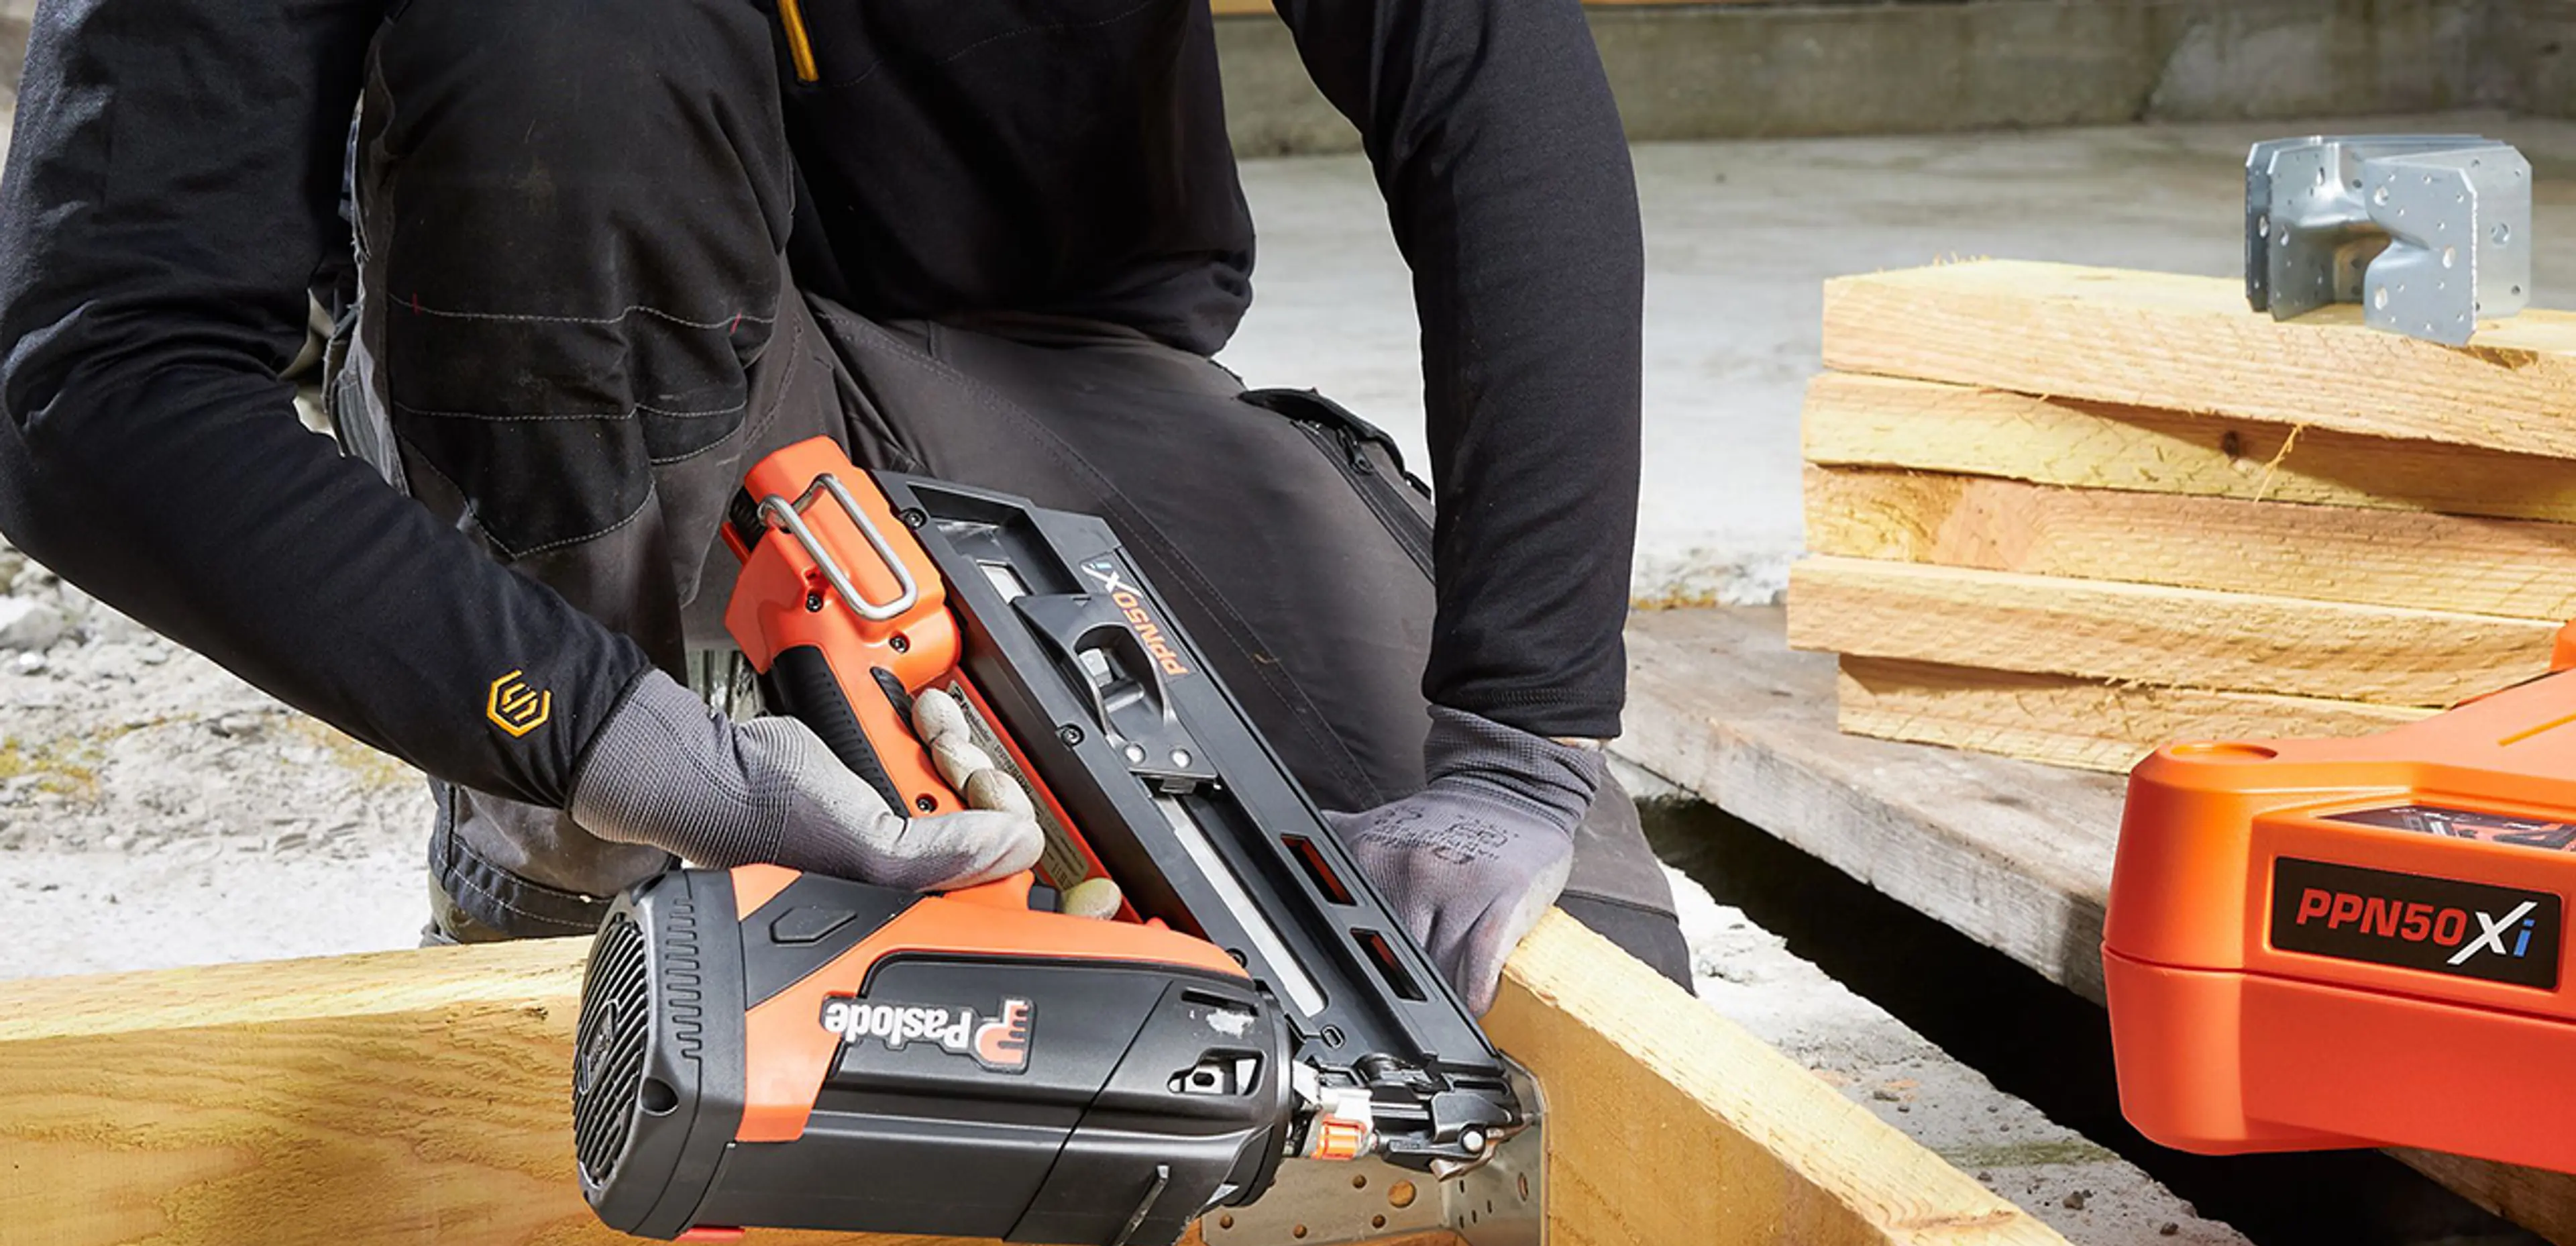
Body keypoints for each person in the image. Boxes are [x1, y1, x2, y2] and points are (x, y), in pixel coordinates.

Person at [0, 0, 1688, 1015]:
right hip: (577, 408)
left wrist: (1522, 734)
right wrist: (585, 729)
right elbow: (94, 375)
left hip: (1047, 371)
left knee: (1541, 1007)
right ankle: (580, 826)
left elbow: (1486, 82)